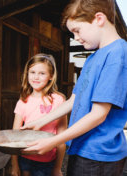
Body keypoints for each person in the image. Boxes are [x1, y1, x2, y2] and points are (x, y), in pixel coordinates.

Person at [21, 0, 127, 175]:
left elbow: (99, 114)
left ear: (99, 19)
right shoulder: (93, 58)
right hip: (82, 146)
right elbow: (74, 99)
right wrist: (40, 122)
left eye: (77, 30)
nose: (76, 38)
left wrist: (54, 141)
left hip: (99, 154)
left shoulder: (118, 55)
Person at [11, 53, 67, 176]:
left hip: (47, 160)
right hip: (25, 157)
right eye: (32, 72)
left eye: (42, 73)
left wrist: (58, 168)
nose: (36, 77)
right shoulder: (22, 101)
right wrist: (14, 165)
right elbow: (14, 137)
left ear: (51, 76)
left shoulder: (58, 100)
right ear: (27, 74)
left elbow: (62, 139)